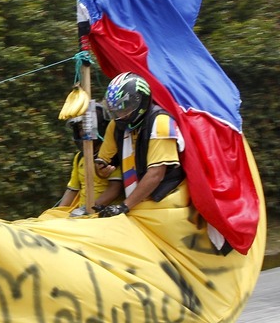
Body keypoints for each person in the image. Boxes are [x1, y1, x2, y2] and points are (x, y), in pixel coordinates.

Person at [93, 72, 185, 217]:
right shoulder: (116, 125)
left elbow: (156, 175)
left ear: (139, 102)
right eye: (116, 111)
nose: (120, 115)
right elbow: (102, 162)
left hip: (166, 201)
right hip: (135, 202)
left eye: (124, 109)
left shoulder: (160, 122)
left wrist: (123, 207)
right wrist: (101, 170)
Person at [56, 100, 121, 216]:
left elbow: (115, 189)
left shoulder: (110, 154)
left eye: (86, 128)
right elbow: (72, 189)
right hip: (80, 214)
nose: (82, 133)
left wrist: (89, 209)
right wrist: (58, 213)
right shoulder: (79, 157)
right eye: (80, 129)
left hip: (104, 213)